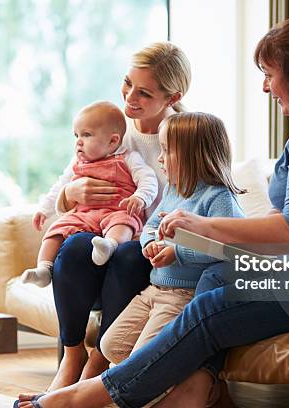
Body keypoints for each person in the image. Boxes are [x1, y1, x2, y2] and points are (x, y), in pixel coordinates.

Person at [14, 8, 289, 408]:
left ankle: (91, 395)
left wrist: (202, 226)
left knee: (211, 307)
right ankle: (197, 390)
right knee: (214, 277)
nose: (265, 87)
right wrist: (204, 235)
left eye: (269, 74)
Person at [44, 42, 192, 391]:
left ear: (172, 97)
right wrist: (70, 195)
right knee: (77, 246)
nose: (130, 98)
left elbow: (195, 201)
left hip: (150, 244)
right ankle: (72, 353)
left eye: (144, 92)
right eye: (128, 83)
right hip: (100, 232)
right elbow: (66, 182)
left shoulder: (183, 135)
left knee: (128, 254)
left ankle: (99, 358)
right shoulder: (111, 124)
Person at [100, 112, 245, 365]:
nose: (159, 158)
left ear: (194, 155)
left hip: (182, 296)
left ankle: (163, 387)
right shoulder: (173, 190)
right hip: (154, 289)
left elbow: (226, 249)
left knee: (141, 360)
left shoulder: (219, 198)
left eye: (166, 150)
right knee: (110, 346)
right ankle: (171, 373)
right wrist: (149, 244)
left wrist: (177, 253)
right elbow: (150, 226)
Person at [22, 101, 158, 287]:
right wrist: (44, 210)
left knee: (125, 222)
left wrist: (140, 197)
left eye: (86, 135)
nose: (78, 141)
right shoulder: (77, 163)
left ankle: (109, 245)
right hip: (85, 215)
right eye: (76, 135)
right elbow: (60, 184)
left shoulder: (128, 157)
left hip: (116, 210)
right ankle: (44, 269)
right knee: (57, 228)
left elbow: (148, 179)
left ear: (113, 141)